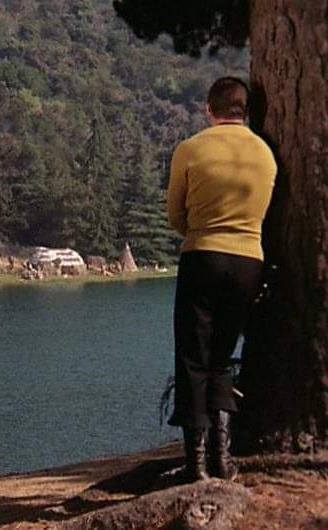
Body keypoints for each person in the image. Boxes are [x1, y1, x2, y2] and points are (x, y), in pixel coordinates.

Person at [167, 77, 277, 482]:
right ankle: (223, 456)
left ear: (209, 110)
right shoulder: (265, 153)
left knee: (192, 358)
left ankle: (196, 463)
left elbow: (175, 214)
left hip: (203, 257)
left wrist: (199, 232)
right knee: (222, 358)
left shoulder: (191, 149)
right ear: (245, 112)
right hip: (249, 262)